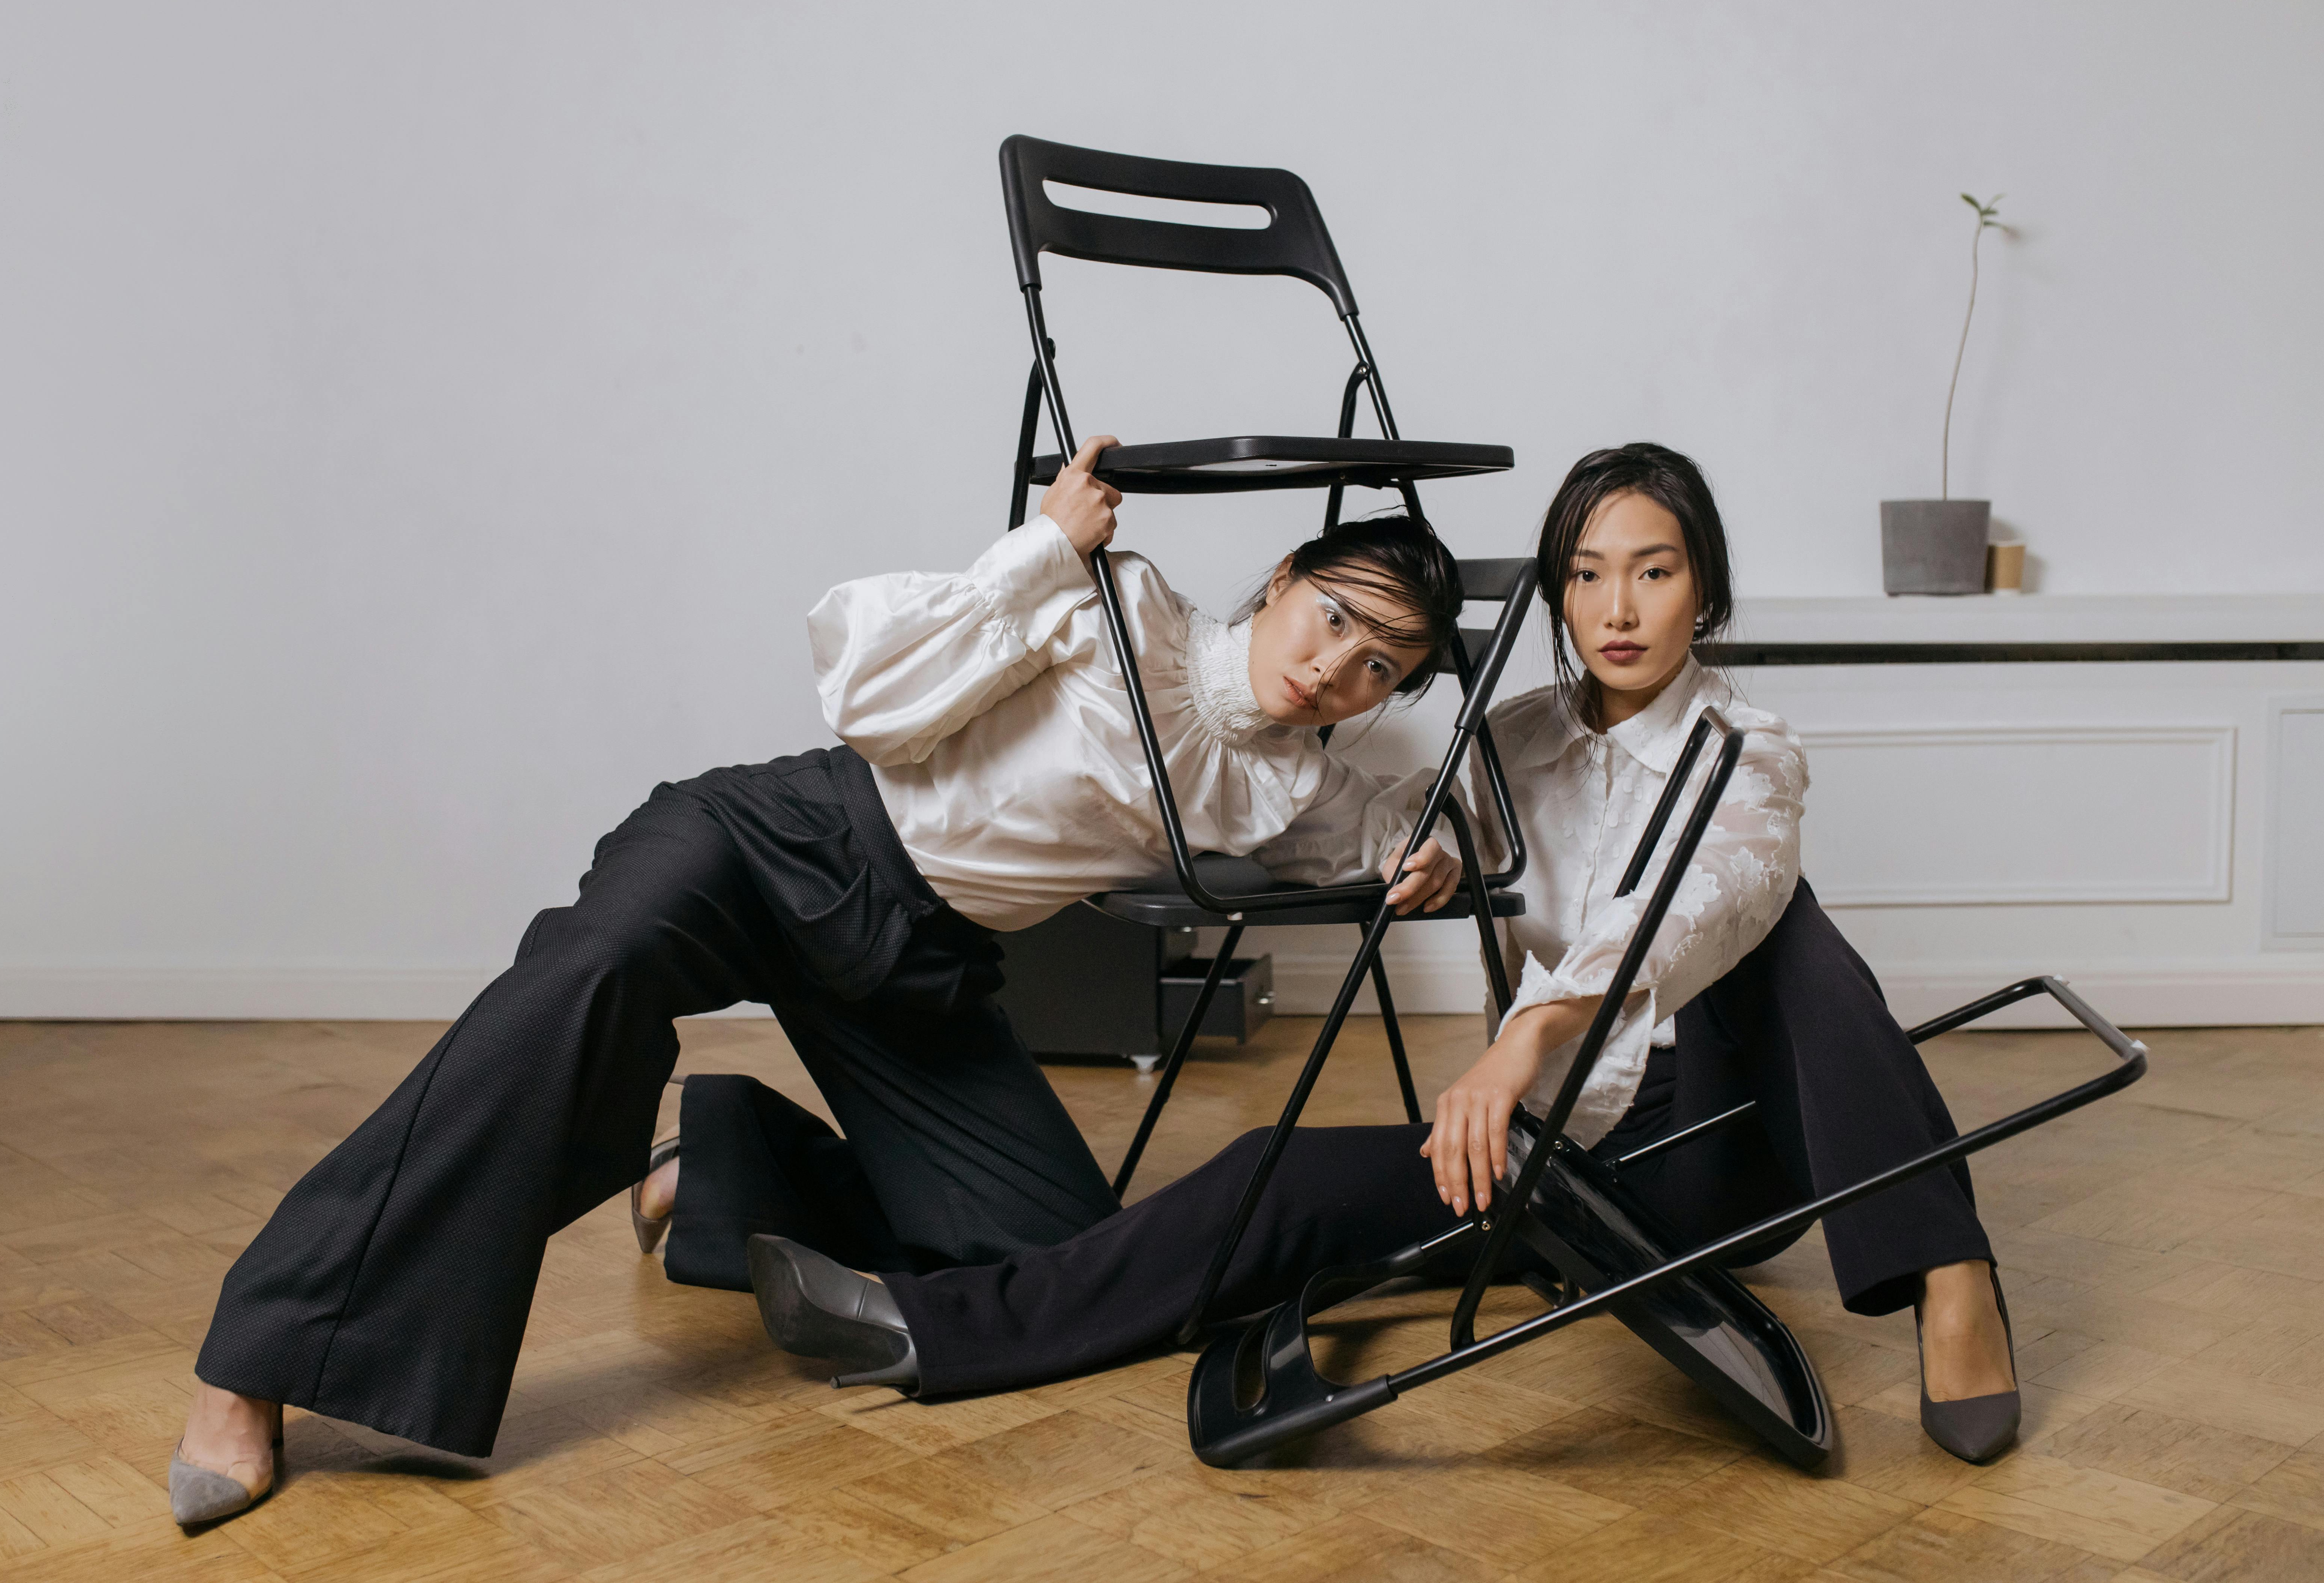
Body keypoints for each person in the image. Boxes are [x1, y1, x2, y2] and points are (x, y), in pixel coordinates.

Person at [167, 436, 1479, 1525]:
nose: (1333, 669)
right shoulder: (1114, 600)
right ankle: (261, 1356)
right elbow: (870, 698)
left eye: (1382, 667)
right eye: (1336, 619)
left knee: (1053, 1259)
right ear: (1289, 576)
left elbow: (1396, 827)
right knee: (580, 988)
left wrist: (1432, 854)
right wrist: (1038, 554)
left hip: (919, 962)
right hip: (779, 844)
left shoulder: (1285, 780)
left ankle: (724, 1157)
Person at [747, 443, 2025, 1466]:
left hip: (1721, 1146)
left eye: (1653, 572)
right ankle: (927, 1329)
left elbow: (1707, 897)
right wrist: (1431, 861)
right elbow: (1417, 833)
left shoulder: (1751, 748)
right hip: (1546, 1148)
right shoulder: (1512, 738)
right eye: (1584, 576)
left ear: (1708, 591)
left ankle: (1947, 1272)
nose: (1616, 609)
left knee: (1783, 925)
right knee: (1272, 1174)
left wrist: (1528, 1032)